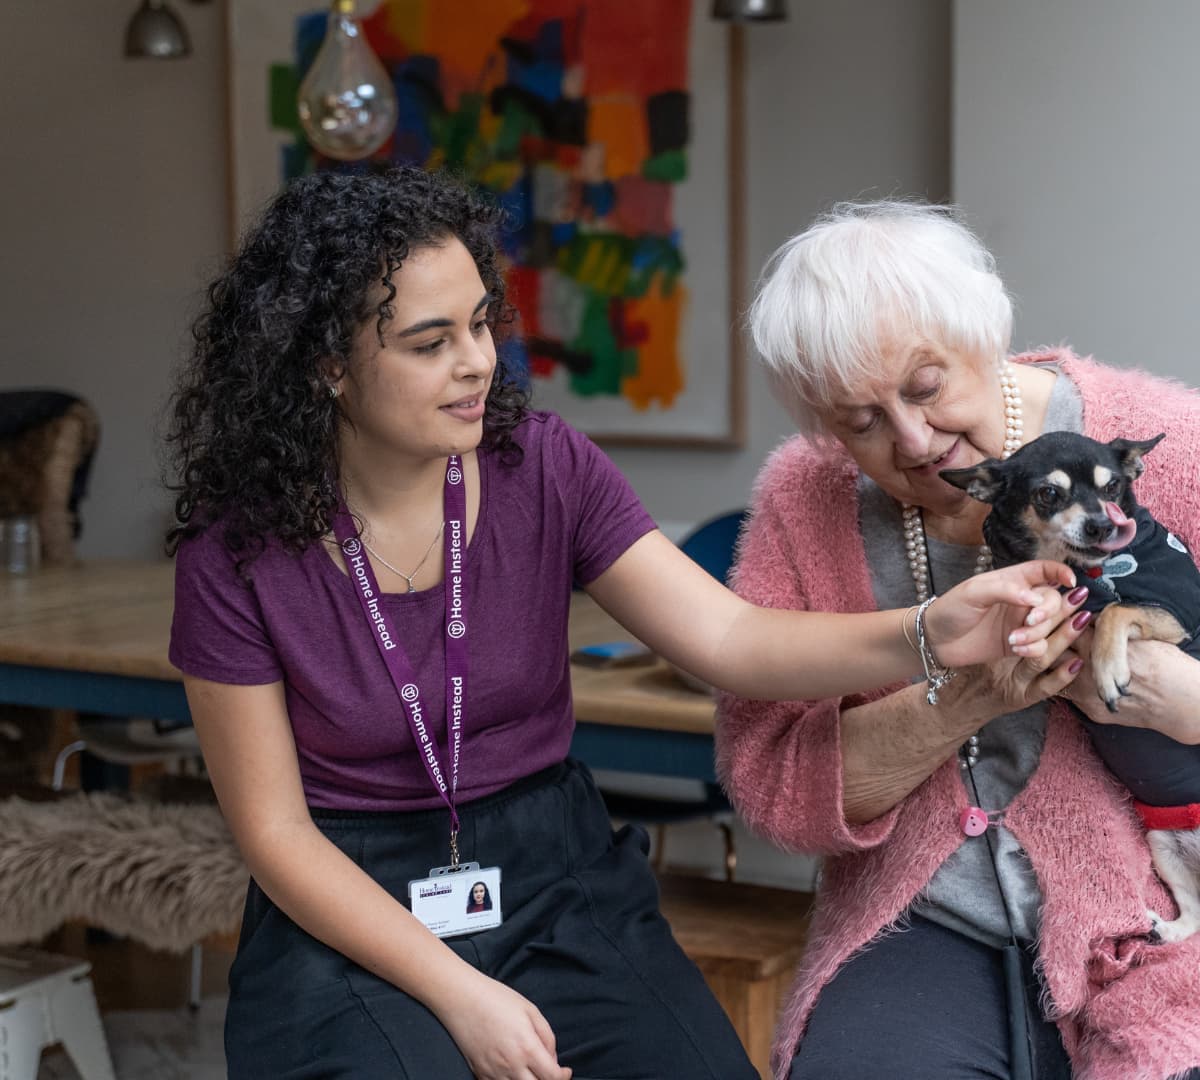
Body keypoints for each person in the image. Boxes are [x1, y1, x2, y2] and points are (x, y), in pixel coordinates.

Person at [164, 169, 1076, 1080]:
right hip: (348, 907)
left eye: (481, 323)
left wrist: (930, 630)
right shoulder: (235, 554)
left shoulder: (543, 466)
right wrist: (458, 992)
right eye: (429, 343)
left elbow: (729, 639)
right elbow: (277, 836)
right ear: (329, 364)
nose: (478, 361)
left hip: (554, 874)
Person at [718, 199, 1200, 1080]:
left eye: (927, 385)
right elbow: (774, 783)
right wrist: (969, 693)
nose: (911, 440)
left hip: (1175, 910)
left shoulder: (1173, 443)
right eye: (857, 421)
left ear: (985, 332)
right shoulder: (805, 498)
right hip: (927, 920)